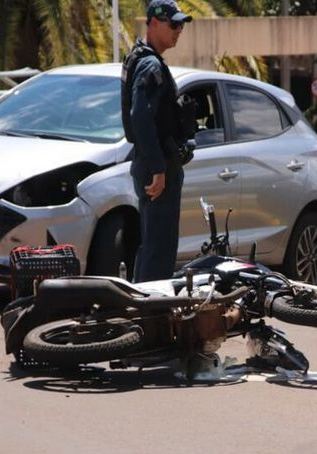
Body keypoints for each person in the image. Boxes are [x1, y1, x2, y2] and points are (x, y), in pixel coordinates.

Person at [123, 0, 192, 282]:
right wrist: (158, 168)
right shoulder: (150, 64)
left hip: (155, 161)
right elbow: (140, 116)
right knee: (159, 251)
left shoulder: (144, 59)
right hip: (157, 166)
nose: (178, 30)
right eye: (173, 24)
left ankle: (143, 302)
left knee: (154, 246)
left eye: (181, 26)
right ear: (153, 23)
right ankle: (150, 307)